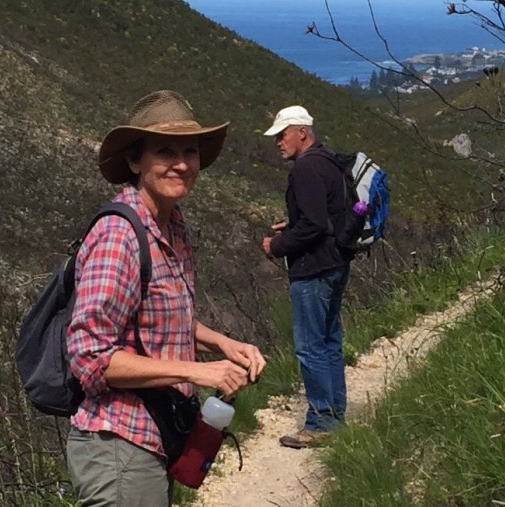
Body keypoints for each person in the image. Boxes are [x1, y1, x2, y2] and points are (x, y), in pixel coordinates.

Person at [67, 90, 267, 506]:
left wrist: (221, 343)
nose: (181, 164)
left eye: (189, 151)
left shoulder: (171, 226)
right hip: (119, 445)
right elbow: (89, 358)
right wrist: (198, 372)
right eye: (164, 151)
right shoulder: (119, 237)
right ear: (135, 161)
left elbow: (156, 313)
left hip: (150, 439)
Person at [260, 105, 352, 449]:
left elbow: (314, 225)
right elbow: (328, 215)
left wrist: (278, 244)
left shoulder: (306, 168)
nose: (278, 142)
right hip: (336, 262)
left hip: (313, 268)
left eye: (282, 135)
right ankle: (334, 416)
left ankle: (320, 423)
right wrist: (294, 224)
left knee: (310, 346)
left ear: (301, 132)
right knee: (329, 342)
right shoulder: (329, 160)